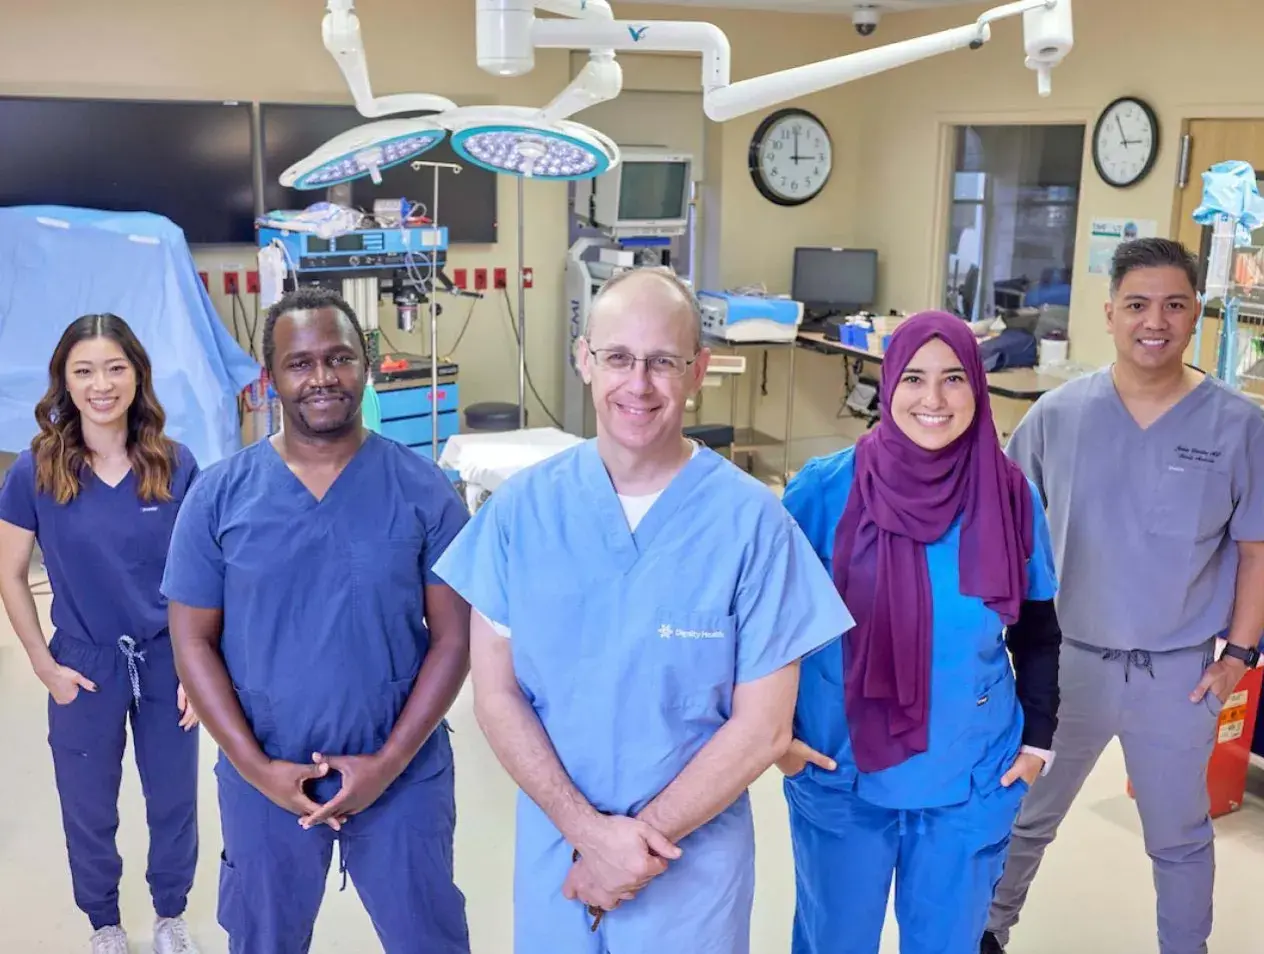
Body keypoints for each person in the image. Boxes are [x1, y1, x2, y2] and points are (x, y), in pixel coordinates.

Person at [432, 267, 852, 954]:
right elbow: (497, 696)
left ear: (699, 372)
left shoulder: (752, 524)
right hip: (559, 850)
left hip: (691, 868)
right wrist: (588, 834)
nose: (639, 384)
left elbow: (764, 728)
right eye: (619, 358)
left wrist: (631, 850)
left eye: (663, 362)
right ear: (584, 359)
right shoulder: (522, 513)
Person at [161, 286, 472, 954]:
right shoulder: (219, 497)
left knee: (427, 936)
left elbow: (454, 639)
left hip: (401, 774)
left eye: (340, 358)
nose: (322, 377)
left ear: (366, 365)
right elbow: (191, 640)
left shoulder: (423, 490)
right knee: (264, 938)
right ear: (270, 379)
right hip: (266, 774)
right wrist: (255, 767)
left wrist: (389, 762)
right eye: (300, 363)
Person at [984, 238, 1264, 954]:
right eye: (1137, 304)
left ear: (1196, 313)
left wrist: (1237, 655)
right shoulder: (1058, 415)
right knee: (1021, 819)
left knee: (1180, 838)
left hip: (1178, 674)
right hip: (1066, 664)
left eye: (1174, 305)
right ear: (1109, 313)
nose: (1155, 321)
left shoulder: (1240, 426)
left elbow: (1255, 550)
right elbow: (1003, 535)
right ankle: (984, 934)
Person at [778, 311, 1061, 954]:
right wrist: (778, 738)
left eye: (953, 378)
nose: (933, 398)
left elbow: (1039, 629)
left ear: (977, 387)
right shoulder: (823, 491)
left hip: (969, 772)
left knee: (946, 942)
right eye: (913, 378)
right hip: (840, 766)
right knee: (833, 940)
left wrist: (1037, 742)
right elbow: (766, 625)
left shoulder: (1010, 496)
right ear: (888, 385)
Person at [0, 314, 202, 954]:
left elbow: (207, 577)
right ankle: (105, 923)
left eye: (116, 368)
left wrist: (202, 672)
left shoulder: (175, 464)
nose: (101, 385)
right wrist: (44, 664)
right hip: (83, 664)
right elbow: (9, 573)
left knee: (173, 800)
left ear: (138, 374)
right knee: (88, 806)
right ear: (64, 380)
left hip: (167, 660)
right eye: (84, 371)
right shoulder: (36, 470)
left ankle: (170, 916)